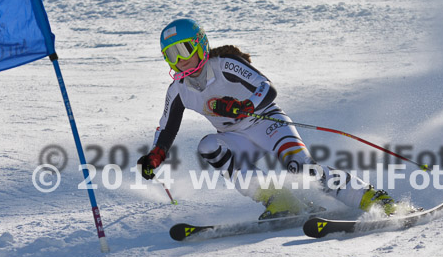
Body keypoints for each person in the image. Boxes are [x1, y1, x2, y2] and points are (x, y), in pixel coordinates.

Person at [137, 18, 395, 219]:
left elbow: (266, 87)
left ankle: (370, 197)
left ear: (200, 44)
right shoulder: (178, 90)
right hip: (236, 137)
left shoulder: (225, 64)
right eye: (171, 55)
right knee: (208, 146)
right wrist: (155, 155)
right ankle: (281, 201)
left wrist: (245, 106)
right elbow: (167, 128)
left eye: (184, 50)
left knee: (301, 168)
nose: (180, 60)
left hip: (267, 123)